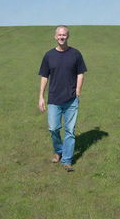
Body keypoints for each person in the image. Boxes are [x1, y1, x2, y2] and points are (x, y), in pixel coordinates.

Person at [38, 25, 87, 172]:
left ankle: (67, 160)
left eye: (64, 35)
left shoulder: (76, 54)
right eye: (59, 35)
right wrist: (41, 96)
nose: (61, 37)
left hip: (71, 100)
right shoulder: (48, 55)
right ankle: (58, 150)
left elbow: (81, 73)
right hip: (54, 99)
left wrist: (78, 90)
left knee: (70, 131)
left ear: (68, 36)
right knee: (53, 128)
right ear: (55, 36)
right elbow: (44, 76)